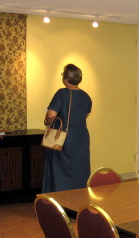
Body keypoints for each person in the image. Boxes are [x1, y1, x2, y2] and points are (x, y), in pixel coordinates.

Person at [42, 64, 92, 193]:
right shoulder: (86, 96)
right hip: (81, 137)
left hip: (63, 138)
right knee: (80, 168)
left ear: (66, 78)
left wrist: (47, 121)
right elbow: (85, 115)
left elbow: (51, 115)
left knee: (60, 169)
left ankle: (60, 200)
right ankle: (79, 198)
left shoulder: (62, 93)